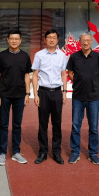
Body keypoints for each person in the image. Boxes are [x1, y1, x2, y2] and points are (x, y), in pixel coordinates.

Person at [0, 29, 32, 166]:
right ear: (8, 40)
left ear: (20, 40)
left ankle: (16, 152)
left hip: (20, 95)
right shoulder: (2, 56)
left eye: (17, 39)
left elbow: (27, 76)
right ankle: (2, 153)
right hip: (4, 95)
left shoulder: (25, 56)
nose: (14, 41)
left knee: (17, 124)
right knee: (4, 124)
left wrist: (27, 93)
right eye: (12, 38)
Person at [66, 32, 99, 165]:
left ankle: (93, 153)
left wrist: (93, 83)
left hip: (93, 97)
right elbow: (70, 73)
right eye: (83, 40)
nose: (86, 43)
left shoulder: (98, 57)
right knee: (75, 126)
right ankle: (75, 152)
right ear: (80, 42)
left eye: (88, 40)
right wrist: (78, 82)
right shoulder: (74, 57)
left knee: (93, 127)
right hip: (78, 96)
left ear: (92, 41)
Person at [32, 29, 68, 165]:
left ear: (57, 40)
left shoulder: (62, 55)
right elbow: (35, 75)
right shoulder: (39, 55)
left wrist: (64, 92)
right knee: (43, 123)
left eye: (54, 37)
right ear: (45, 40)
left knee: (57, 123)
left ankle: (56, 152)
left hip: (57, 92)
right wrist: (35, 94)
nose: (51, 40)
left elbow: (63, 74)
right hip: (43, 92)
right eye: (49, 37)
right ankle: (43, 152)